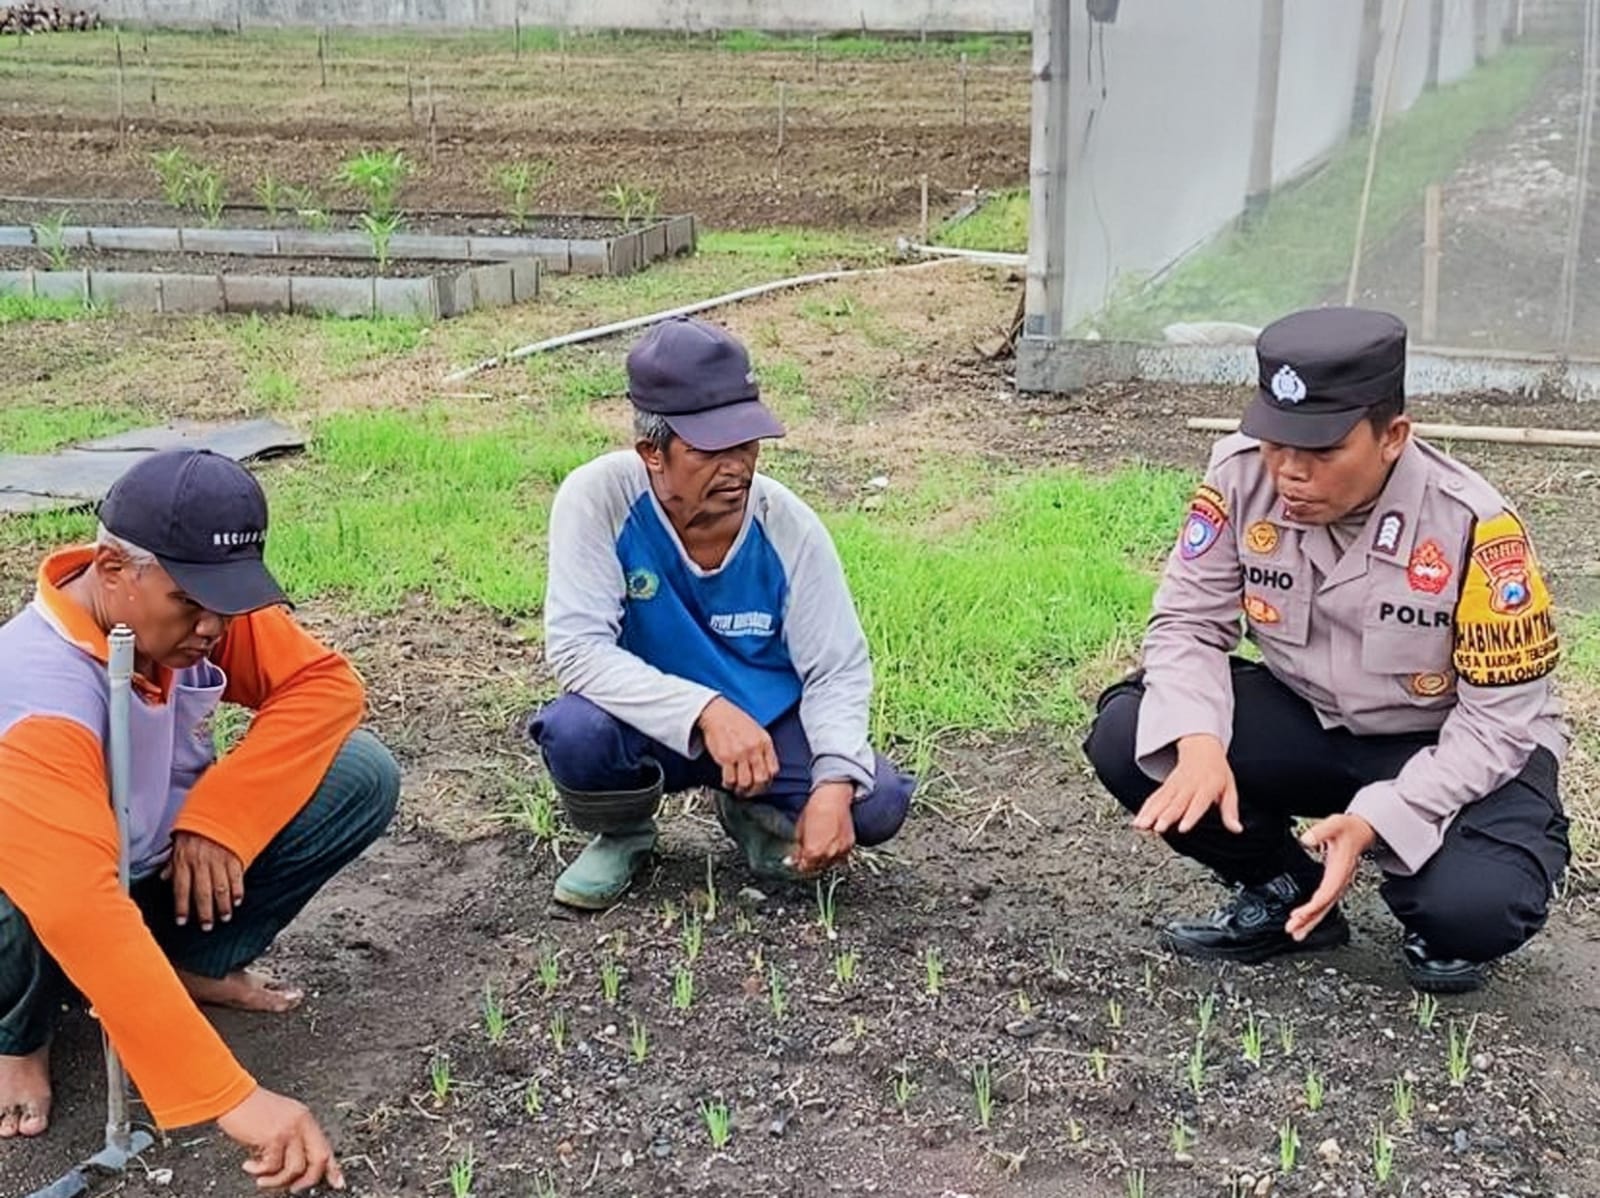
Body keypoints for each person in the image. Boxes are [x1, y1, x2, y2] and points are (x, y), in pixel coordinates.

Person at [1084, 307, 1568, 994]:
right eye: (1277, 442)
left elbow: (1499, 723)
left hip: (1449, 745)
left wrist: (1381, 819)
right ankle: (1286, 886)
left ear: (1392, 436)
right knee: (1133, 734)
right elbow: (1188, 625)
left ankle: (1431, 905)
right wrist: (1197, 741)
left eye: (1320, 451)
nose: (1288, 472)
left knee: (1471, 909)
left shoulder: (1474, 524)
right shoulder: (1238, 474)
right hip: (1315, 721)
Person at [0, 449, 399, 1192]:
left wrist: (223, 817)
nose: (214, 625)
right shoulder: (35, 693)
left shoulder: (194, 615)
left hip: (143, 866)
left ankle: (186, 967)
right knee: (25, 886)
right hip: (37, 900)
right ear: (114, 568)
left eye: (229, 598)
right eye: (191, 602)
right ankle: (16, 1037)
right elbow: (76, 906)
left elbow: (325, 684)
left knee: (360, 774)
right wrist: (237, 1099)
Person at [527, 316, 916, 910]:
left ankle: (754, 808)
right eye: (710, 449)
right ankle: (625, 831)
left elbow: (835, 668)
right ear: (652, 454)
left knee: (877, 801)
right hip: (652, 728)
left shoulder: (788, 527)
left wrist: (834, 783)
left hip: (765, 730)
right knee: (576, 732)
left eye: (747, 443)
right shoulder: (597, 500)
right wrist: (704, 710)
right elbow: (579, 651)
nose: (736, 466)